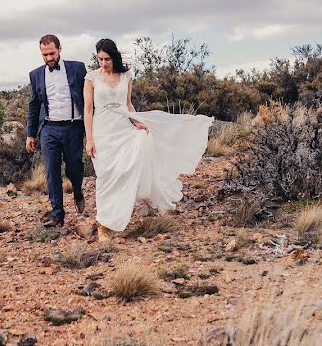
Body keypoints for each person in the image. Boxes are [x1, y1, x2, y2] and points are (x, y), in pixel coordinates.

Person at [83, 38, 213, 241]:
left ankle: (118, 215)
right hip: (102, 132)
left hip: (123, 127)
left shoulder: (127, 75)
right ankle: (104, 224)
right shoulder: (91, 78)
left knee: (128, 165)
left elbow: (128, 104)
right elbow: (88, 109)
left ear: (114, 57)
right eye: (100, 59)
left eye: (107, 59)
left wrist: (137, 123)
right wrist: (89, 139)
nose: (103, 63)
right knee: (106, 176)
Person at [26, 34, 87, 227]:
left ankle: (77, 190)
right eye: (44, 55)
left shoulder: (78, 68)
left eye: (52, 53)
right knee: (52, 170)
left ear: (60, 49)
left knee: (74, 168)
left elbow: (89, 97)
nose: (49, 58)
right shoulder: (36, 75)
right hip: (49, 129)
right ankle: (57, 215)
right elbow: (34, 105)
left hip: (73, 126)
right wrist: (30, 133)